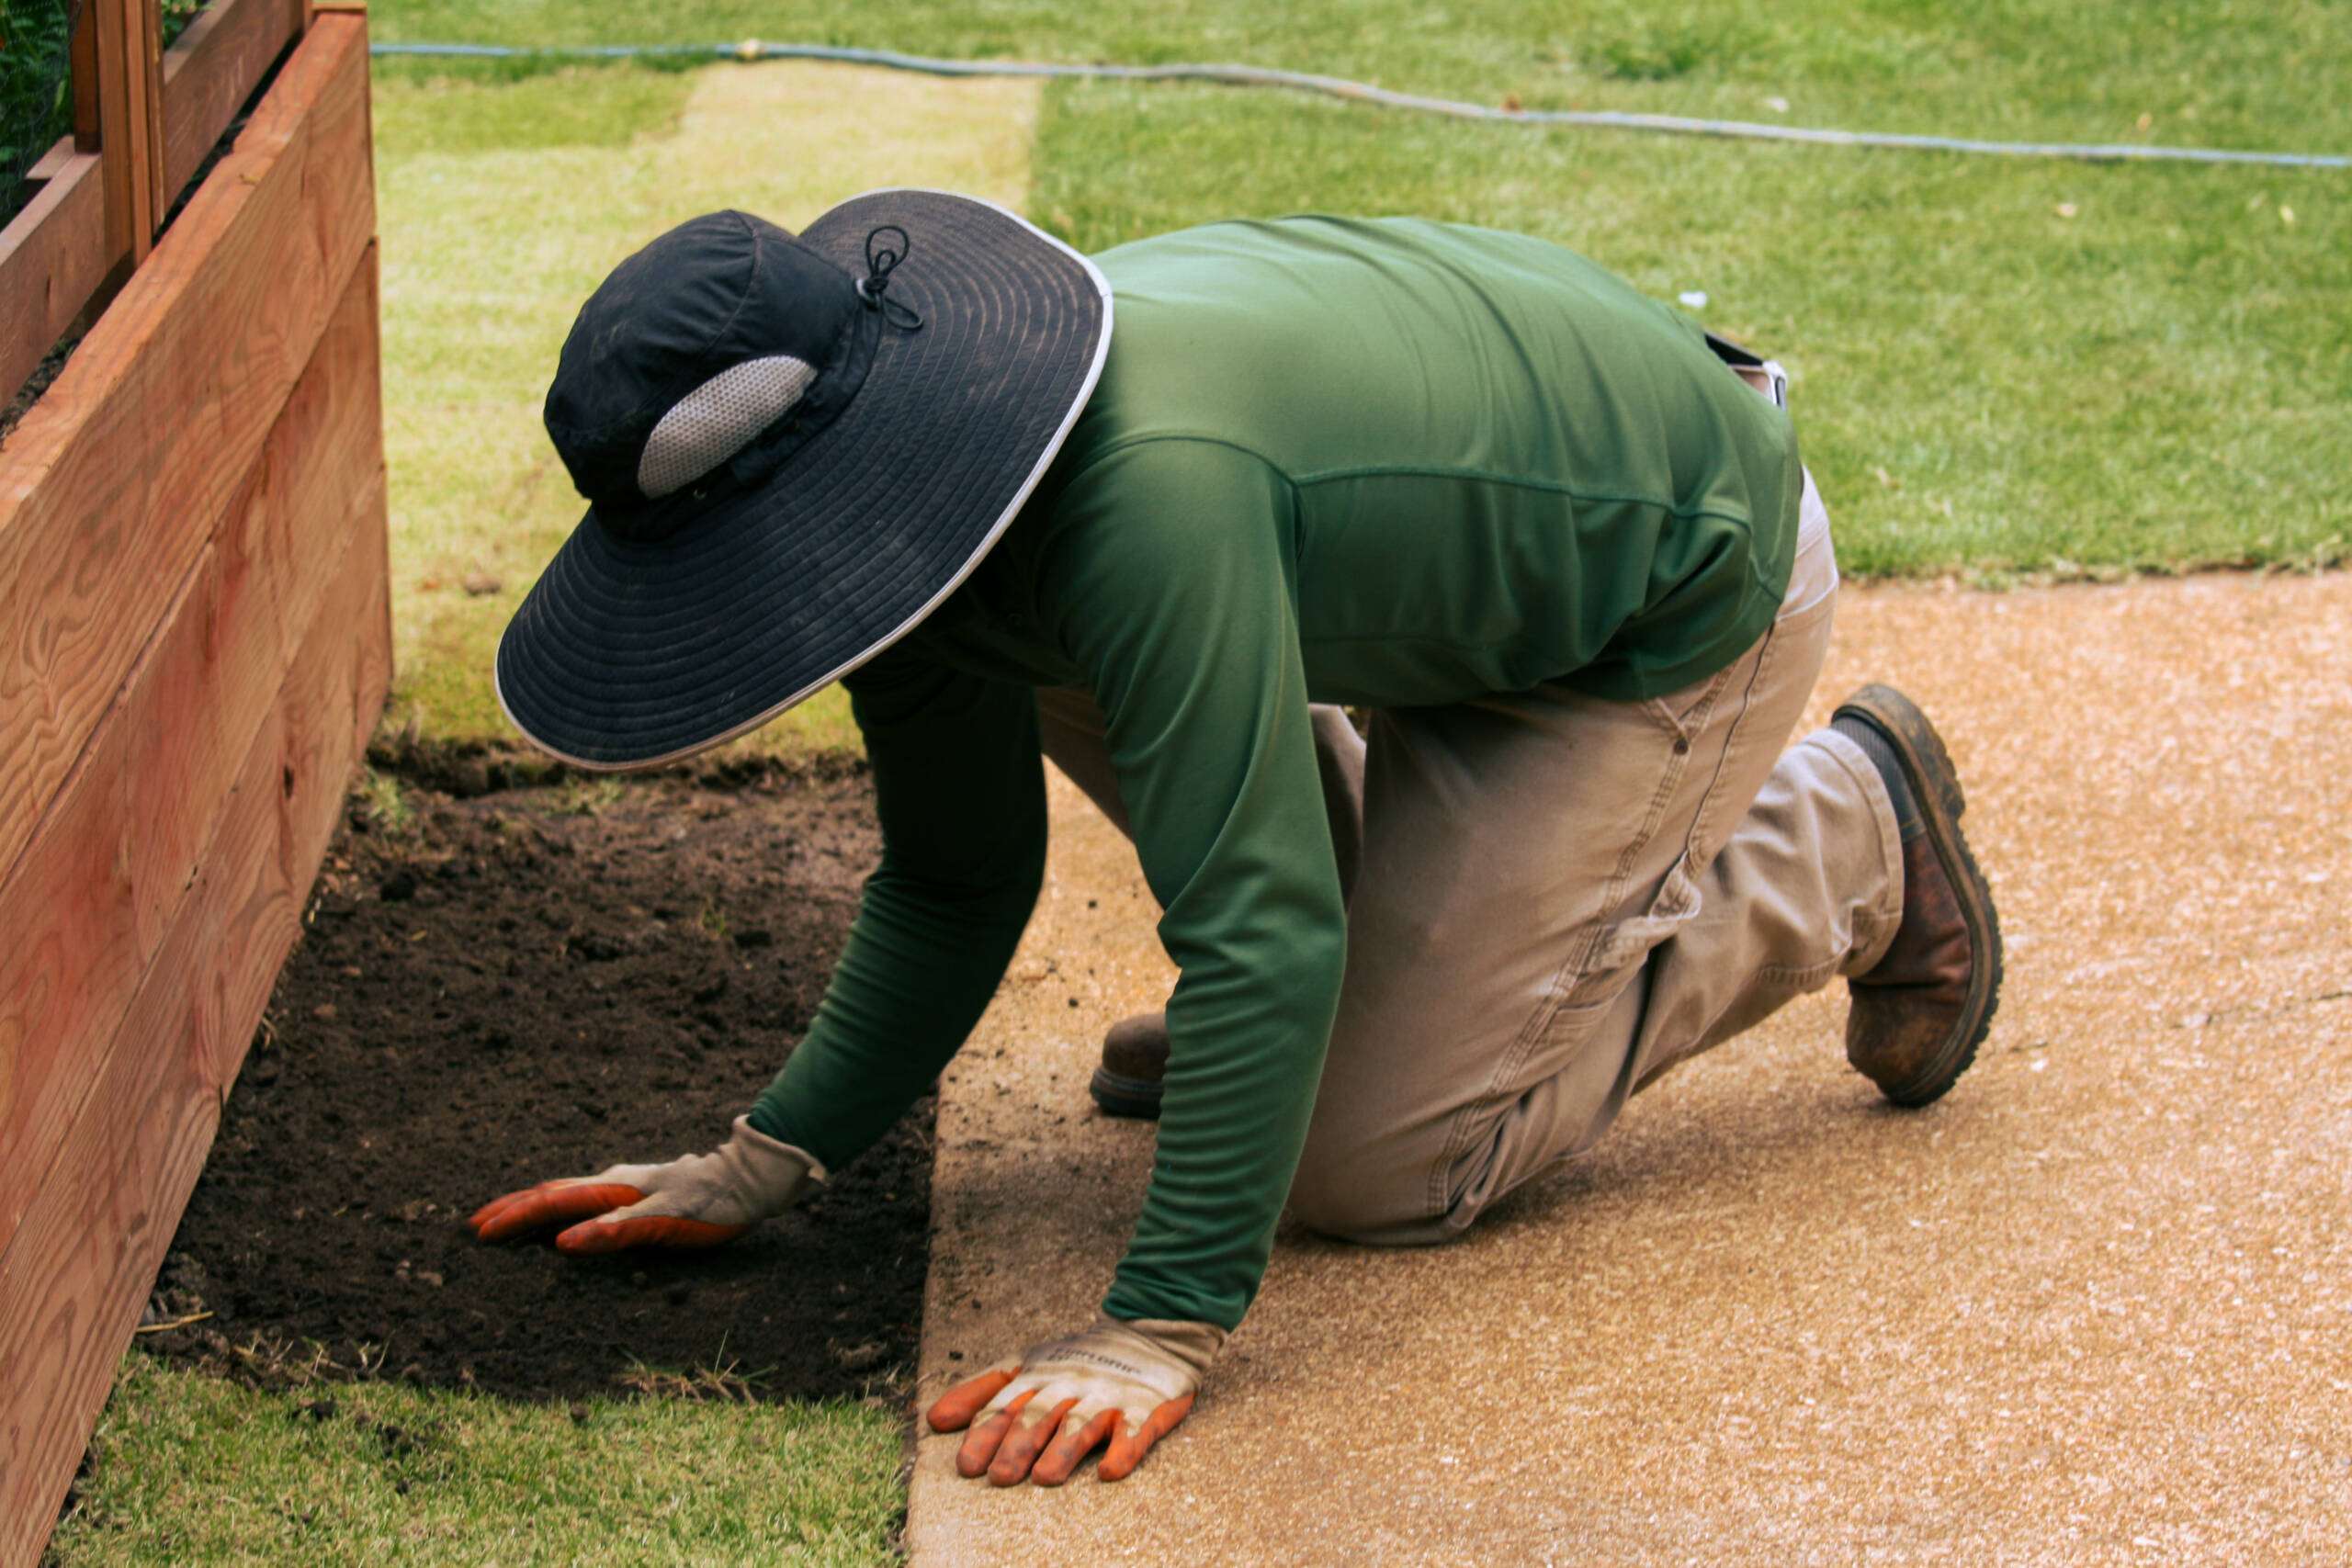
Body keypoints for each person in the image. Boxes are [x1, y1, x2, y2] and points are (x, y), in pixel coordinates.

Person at [468, 191, 2002, 1488]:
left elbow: (1262, 934)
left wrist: (1162, 1322)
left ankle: (1845, 831)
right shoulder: (928, 502)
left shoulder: (1140, 497)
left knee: (1375, 1167)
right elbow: (957, 874)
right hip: (1448, 583)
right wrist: (764, 1160)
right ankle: (1363, 1003)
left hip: (1665, 586)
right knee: (1232, 935)